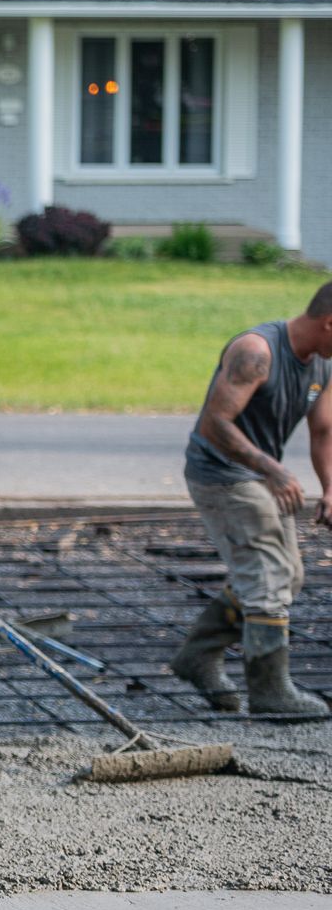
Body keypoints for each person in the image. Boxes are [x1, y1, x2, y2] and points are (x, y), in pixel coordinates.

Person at [168, 284, 332, 716]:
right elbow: (214, 424)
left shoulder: (320, 367)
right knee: (268, 575)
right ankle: (269, 690)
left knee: (289, 575)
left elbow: (323, 431)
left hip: (259, 476)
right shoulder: (257, 352)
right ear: (329, 322)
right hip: (220, 474)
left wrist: (330, 487)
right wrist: (273, 469)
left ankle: (198, 655)